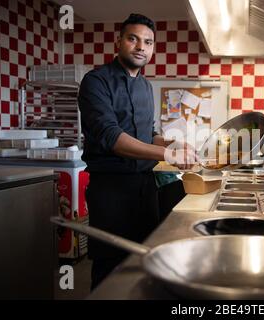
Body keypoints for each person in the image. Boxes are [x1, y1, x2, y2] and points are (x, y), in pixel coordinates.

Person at [78, 13, 195, 290]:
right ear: (119, 42)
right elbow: (112, 137)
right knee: (110, 268)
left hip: (145, 190)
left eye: (148, 42)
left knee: (143, 261)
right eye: (133, 39)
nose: (141, 47)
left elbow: (148, 133)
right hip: (111, 191)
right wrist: (167, 156)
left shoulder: (145, 86)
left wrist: (172, 144)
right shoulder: (96, 82)